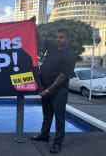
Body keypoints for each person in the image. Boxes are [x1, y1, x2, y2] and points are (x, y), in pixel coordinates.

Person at [31, 25, 76, 154]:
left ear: (68, 39)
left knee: (59, 118)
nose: (58, 39)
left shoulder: (69, 55)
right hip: (46, 88)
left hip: (58, 91)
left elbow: (61, 77)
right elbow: (40, 39)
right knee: (47, 114)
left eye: (61, 37)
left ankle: (58, 143)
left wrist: (48, 91)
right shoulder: (52, 47)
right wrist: (33, 26)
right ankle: (44, 135)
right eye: (57, 37)